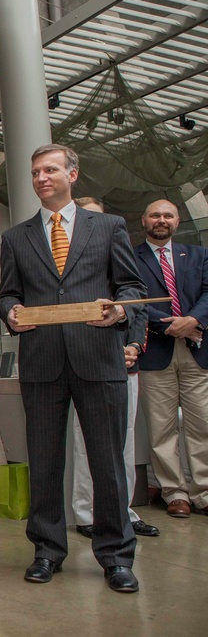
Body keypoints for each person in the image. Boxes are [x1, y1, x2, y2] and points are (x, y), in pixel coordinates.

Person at [0, 144, 144, 594]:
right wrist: (11, 313)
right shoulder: (16, 237)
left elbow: (131, 287)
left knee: (107, 464)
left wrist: (119, 314)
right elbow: (6, 294)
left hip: (99, 361)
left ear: (72, 175)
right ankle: (46, 551)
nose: (41, 178)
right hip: (42, 364)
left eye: (51, 170)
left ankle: (116, 556)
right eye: (35, 172)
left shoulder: (110, 227)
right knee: (44, 463)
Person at [68, 198, 159, 539]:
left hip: (124, 364)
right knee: (84, 441)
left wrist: (134, 348)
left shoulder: (120, 255)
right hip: (86, 361)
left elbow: (138, 305)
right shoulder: (70, 262)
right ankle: (86, 512)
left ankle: (123, 511)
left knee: (123, 442)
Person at [134, 199, 208, 518]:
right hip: (155, 350)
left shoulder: (198, 255)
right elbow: (130, 298)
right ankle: (175, 492)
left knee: (202, 425)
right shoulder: (129, 258)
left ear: (177, 222)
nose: (161, 220)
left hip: (197, 348)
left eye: (168, 215)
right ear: (144, 220)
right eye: (155, 215)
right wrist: (172, 326)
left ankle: (203, 491)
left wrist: (192, 320)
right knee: (162, 427)